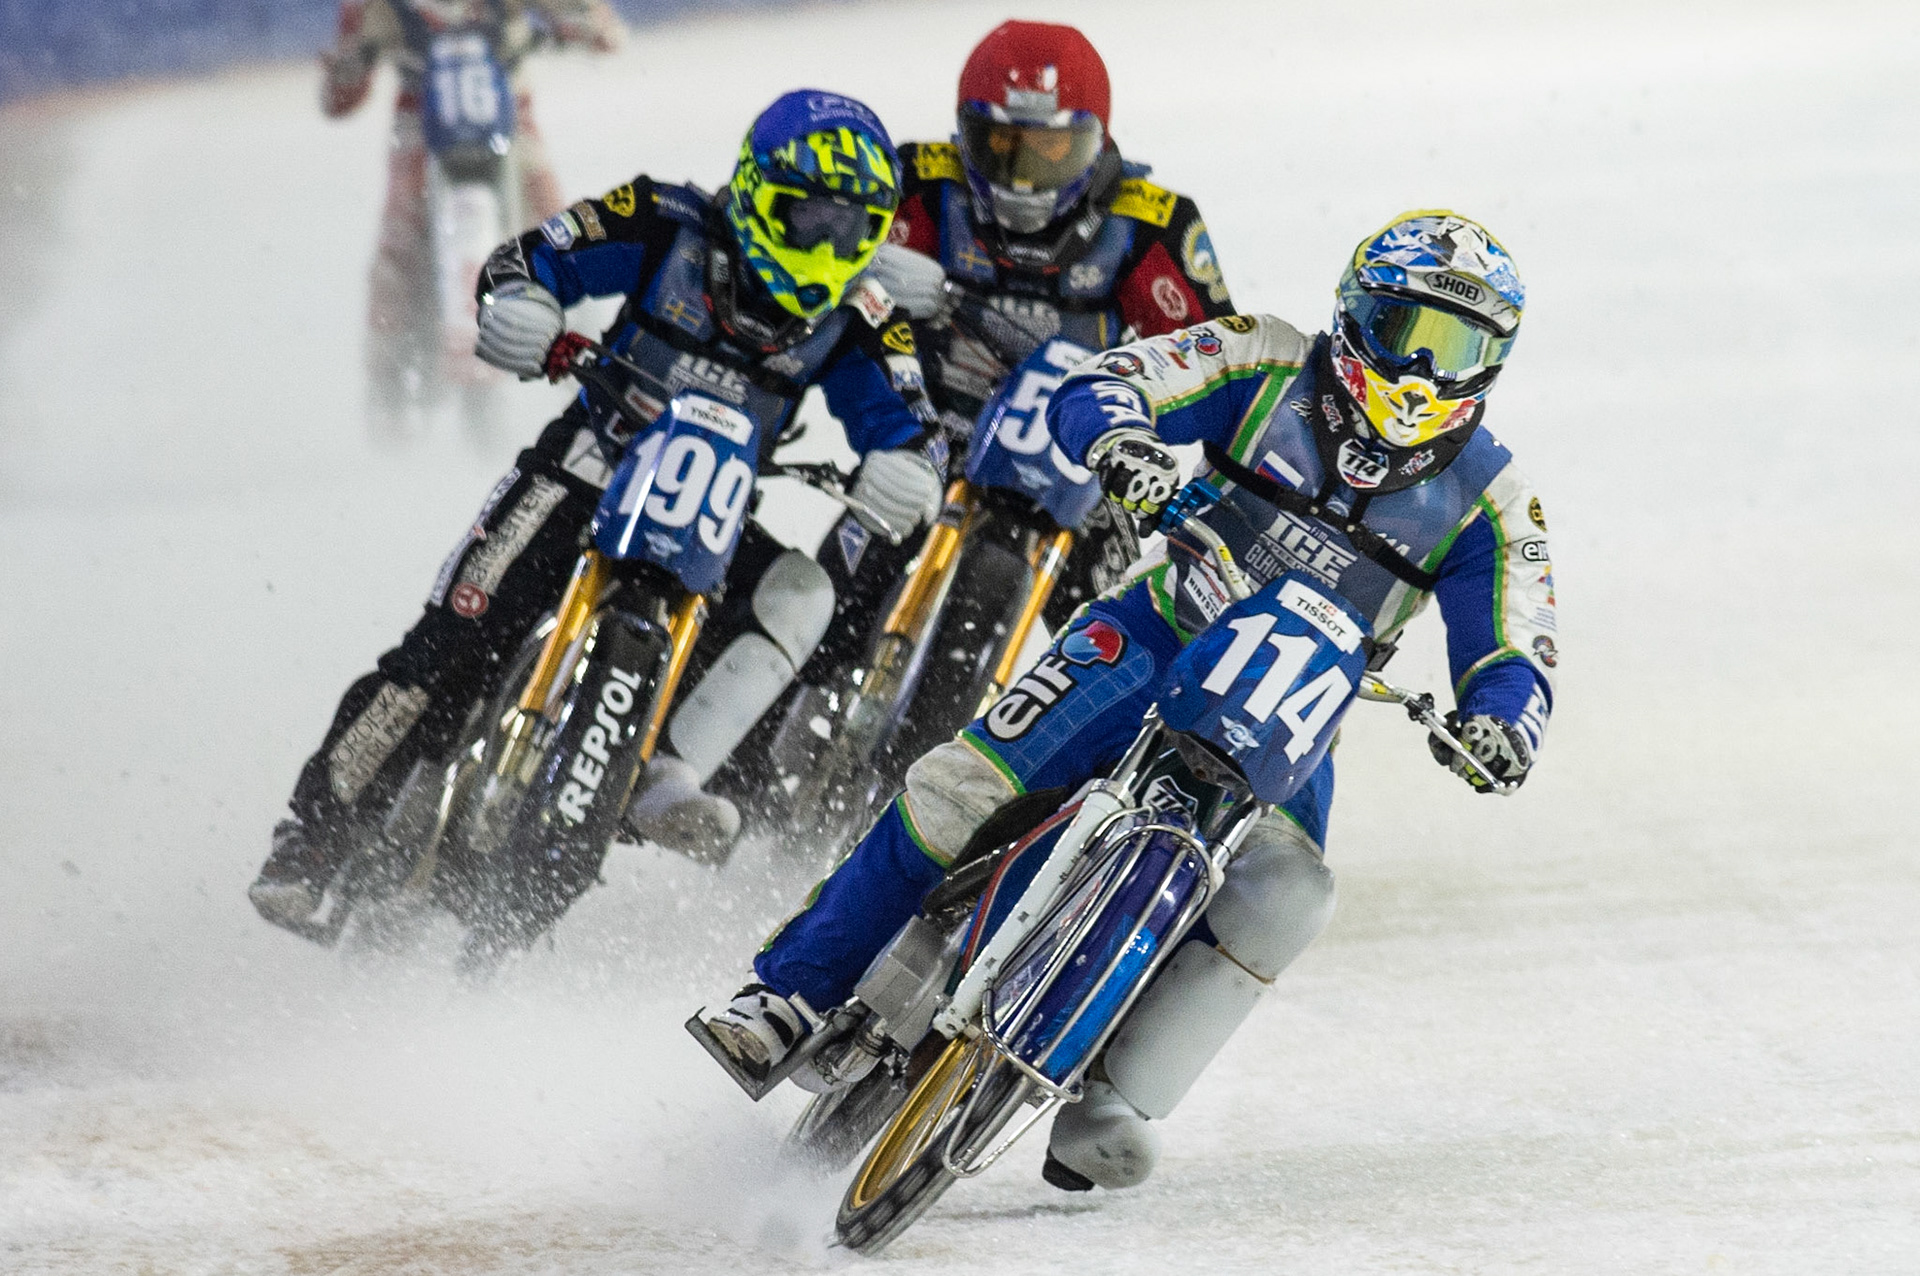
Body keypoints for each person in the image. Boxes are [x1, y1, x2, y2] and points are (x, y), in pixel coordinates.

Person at [696, 211, 1560, 1193]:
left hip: (1297, 711)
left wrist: (1502, 722)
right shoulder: (1266, 358)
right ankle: (788, 997)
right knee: (959, 787)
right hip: (1155, 631)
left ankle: (1111, 1102)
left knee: (1289, 895)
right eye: (1412, 334)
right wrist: (1127, 448)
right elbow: (1105, 384)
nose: (1430, 373)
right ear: (1357, 315)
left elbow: (1518, 642)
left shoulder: (1498, 498)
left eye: (1464, 351)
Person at [249, 90, 949, 939]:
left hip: (716, 511)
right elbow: (533, 256)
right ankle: (312, 838)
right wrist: (525, 309)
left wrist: (906, 470)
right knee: (446, 648)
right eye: (812, 218)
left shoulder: (866, 314)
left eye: (854, 228)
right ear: (760, 194)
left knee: (801, 594)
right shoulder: (666, 221)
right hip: (590, 462)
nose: (829, 247)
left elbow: (915, 429)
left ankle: (667, 772)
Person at [794, 18, 1239, 689]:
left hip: (1080, 460)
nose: (1024, 177)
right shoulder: (914, 182)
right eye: (1001, 146)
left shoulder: (1153, 224)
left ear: (1096, 141)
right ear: (963, 133)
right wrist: (864, 273)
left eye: (1051, 151)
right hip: (931, 437)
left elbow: (1225, 367)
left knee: (1130, 663)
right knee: (821, 616)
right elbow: (795, 263)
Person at [318, 0, 624, 416]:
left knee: (561, 234)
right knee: (398, 244)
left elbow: (593, 22)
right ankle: (385, 383)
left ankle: (599, 370)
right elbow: (341, 92)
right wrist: (346, 69)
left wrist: (587, 26)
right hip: (421, 119)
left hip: (506, 112)